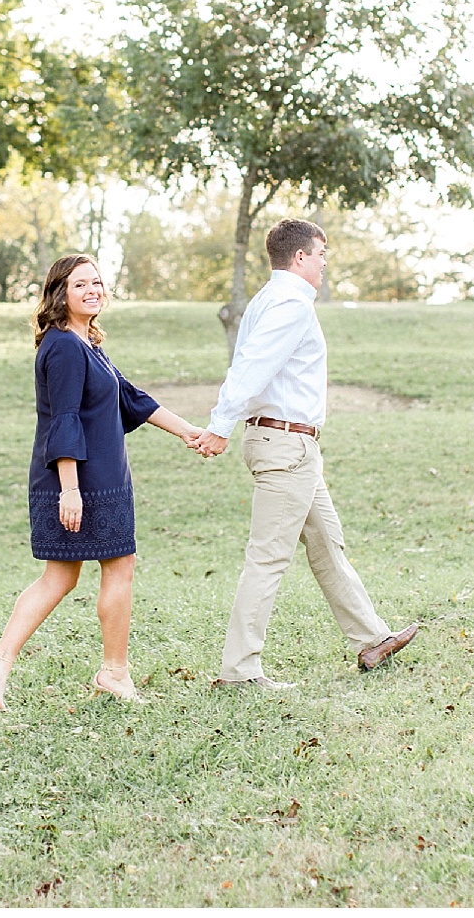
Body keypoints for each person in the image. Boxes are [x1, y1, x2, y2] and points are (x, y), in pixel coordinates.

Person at [0, 253, 206, 710]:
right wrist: (71, 490)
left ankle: (1, 662)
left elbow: (130, 398)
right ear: (61, 293)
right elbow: (65, 420)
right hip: (79, 481)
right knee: (106, 568)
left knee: (63, 576)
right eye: (80, 284)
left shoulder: (86, 341)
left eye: (96, 282)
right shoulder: (63, 346)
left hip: (101, 478)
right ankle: (112, 673)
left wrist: (188, 432)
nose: (92, 290)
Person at [192, 218, 418, 688]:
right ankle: (239, 671)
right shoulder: (290, 304)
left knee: (327, 543)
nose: (324, 263)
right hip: (286, 445)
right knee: (268, 558)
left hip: (291, 446)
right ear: (300, 257)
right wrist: (219, 426)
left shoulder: (267, 300)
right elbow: (250, 368)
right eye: (320, 254)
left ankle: (372, 638)